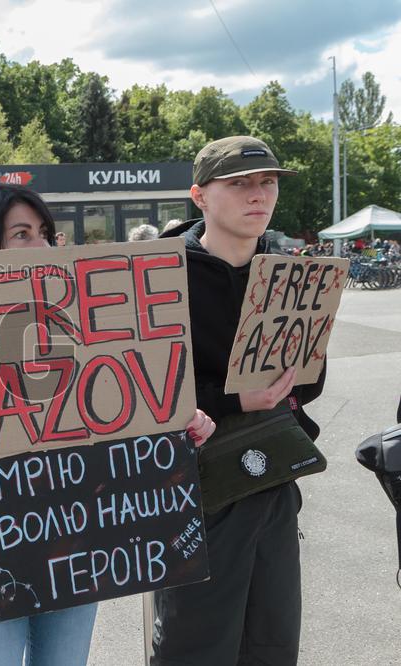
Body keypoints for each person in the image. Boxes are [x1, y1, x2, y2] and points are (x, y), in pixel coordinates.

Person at [0, 183, 216, 665]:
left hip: (76, 563)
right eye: (21, 233)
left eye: (45, 232)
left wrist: (177, 427)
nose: (41, 246)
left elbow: (123, 431)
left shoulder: (89, 328)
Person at [155, 136, 327, 665]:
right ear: (199, 195)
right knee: (196, 649)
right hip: (194, 490)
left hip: (273, 478)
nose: (258, 195)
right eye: (239, 183)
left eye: (267, 182)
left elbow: (309, 383)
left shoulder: (290, 272)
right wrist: (235, 398)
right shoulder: (160, 276)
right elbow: (145, 392)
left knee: (272, 644)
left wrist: (290, 372)